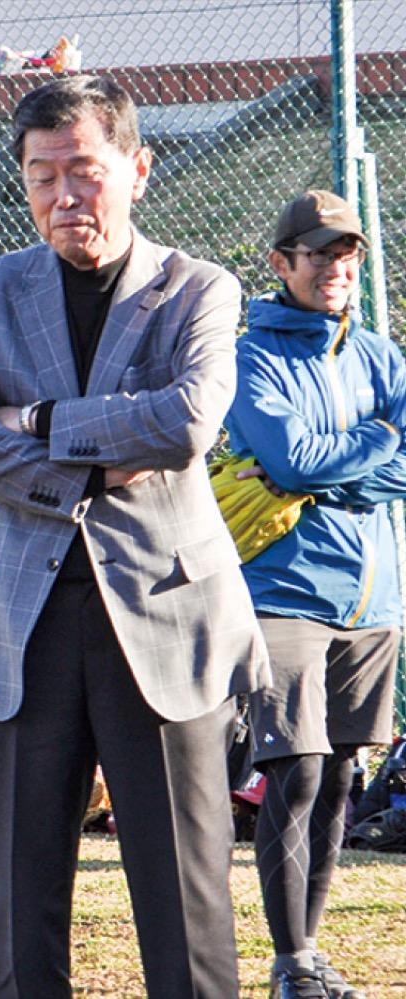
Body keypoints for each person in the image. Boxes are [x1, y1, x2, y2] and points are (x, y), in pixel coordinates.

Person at [0, 75, 270, 998]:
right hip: (21, 621)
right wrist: (90, 461)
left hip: (163, 612)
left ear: (137, 168)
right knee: (20, 894)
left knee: (185, 892)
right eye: (42, 176)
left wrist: (35, 420)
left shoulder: (198, 288)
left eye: (85, 170)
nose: (64, 196)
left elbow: (189, 420)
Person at [224, 190, 402, 999]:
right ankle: (290, 959)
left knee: (339, 778)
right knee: (292, 771)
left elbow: (319, 464)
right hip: (285, 589)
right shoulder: (249, 356)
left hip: (372, 597)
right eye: (319, 252)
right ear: (282, 263)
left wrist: (346, 466)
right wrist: (382, 439)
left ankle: (311, 954)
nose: (336, 267)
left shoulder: (380, 354)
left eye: (348, 254)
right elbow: (289, 460)